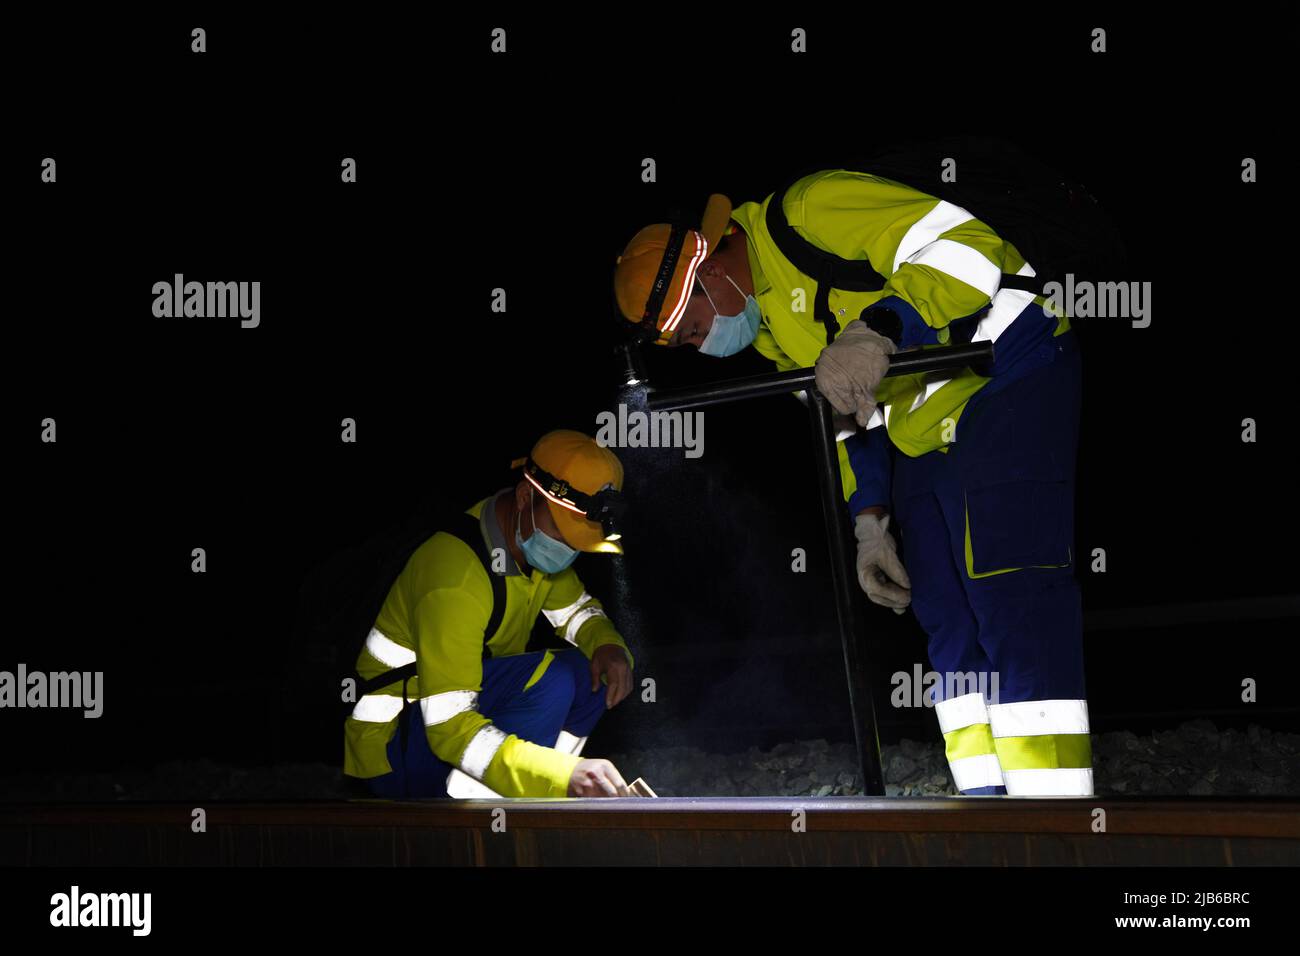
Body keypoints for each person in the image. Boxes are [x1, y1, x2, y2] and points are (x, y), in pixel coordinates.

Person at [613, 169, 1091, 796]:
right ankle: (987, 805)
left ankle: (1056, 813)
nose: (701, 348)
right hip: (922, 429)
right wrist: (869, 523)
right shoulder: (773, 333)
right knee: (943, 612)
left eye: (694, 328)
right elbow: (843, 421)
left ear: (710, 271)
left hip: (1005, 372)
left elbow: (971, 246)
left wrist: (880, 328)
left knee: (1008, 589)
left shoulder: (811, 210)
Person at [343, 430, 636, 798]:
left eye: (579, 543)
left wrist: (608, 645)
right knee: (555, 679)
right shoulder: (453, 577)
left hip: (453, 716)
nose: (568, 549)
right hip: (393, 742)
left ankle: (549, 797)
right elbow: (449, 726)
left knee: (591, 674)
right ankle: (480, 806)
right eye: (563, 532)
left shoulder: (530, 548)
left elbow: (578, 612)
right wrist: (560, 773)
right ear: (526, 496)